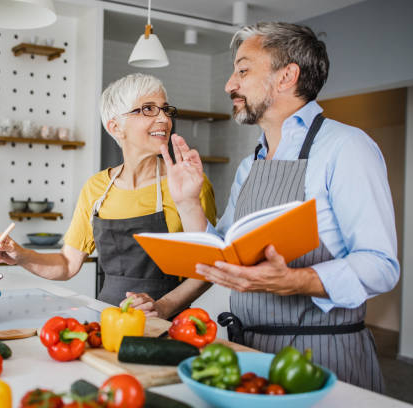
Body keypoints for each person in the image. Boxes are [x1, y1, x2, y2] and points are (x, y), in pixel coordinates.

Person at [161, 22, 399, 391]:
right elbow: (222, 253)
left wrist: (295, 281)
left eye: (243, 70)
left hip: (320, 357)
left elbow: (381, 265)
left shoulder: (346, 147)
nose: (230, 85)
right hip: (247, 351)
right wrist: (188, 201)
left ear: (287, 76)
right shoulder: (251, 162)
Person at [0, 73, 217, 318]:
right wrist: (21, 256)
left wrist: (162, 307)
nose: (163, 118)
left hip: (171, 325)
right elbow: (67, 264)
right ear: (115, 126)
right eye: (148, 109)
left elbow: (209, 268)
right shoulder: (96, 188)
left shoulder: (190, 186)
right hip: (107, 320)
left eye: (165, 109)